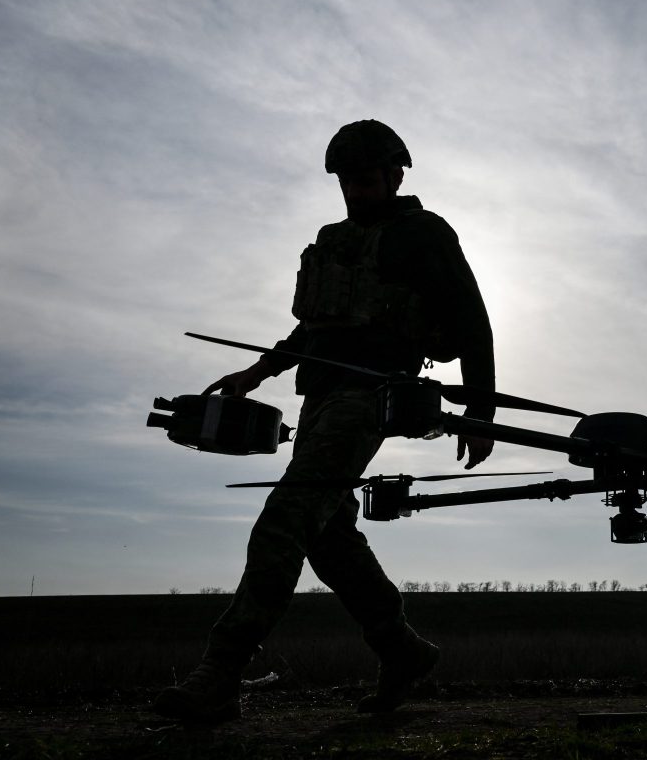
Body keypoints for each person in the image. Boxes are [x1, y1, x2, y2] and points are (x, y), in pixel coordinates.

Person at [154, 119, 496, 722]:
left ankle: (221, 671)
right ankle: (403, 649)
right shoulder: (333, 239)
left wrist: (480, 410)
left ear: (395, 175)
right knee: (330, 538)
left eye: (366, 180)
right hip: (318, 401)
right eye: (346, 183)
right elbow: (312, 329)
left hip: (368, 398)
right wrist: (255, 375)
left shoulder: (424, 234)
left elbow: (471, 318)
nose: (355, 193)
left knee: (286, 517)